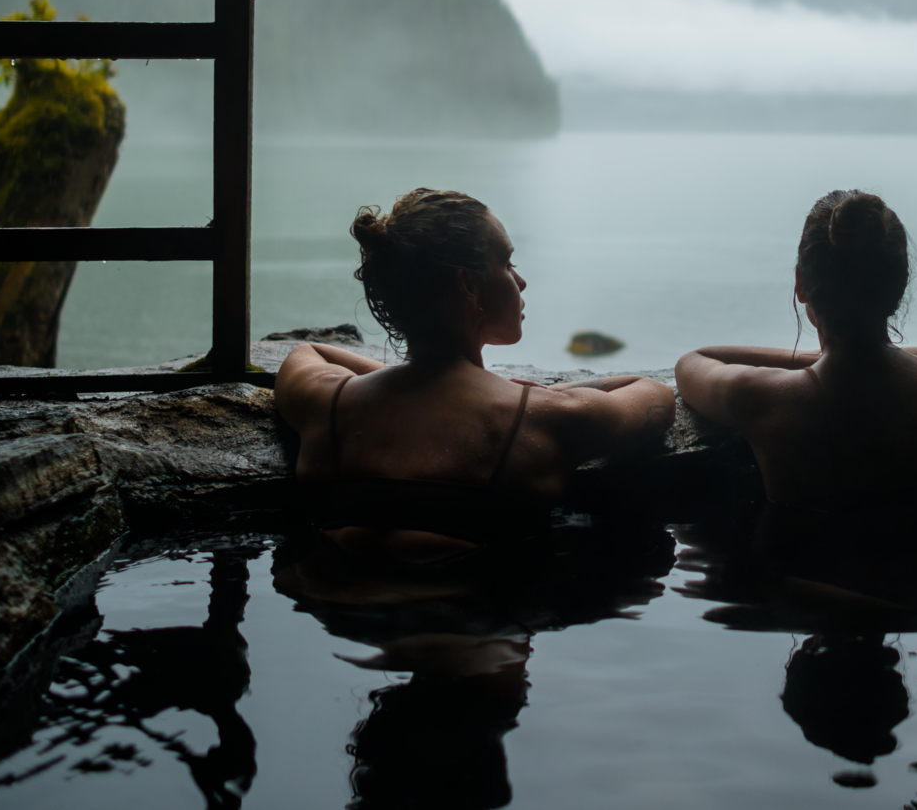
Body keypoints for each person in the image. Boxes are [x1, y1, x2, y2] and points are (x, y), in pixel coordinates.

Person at [276, 187, 674, 562]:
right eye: (506, 263)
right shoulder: (542, 419)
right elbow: (656, 395)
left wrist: (407, 381)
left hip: (338, 605)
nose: (520, 281)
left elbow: (306, 352)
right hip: (473, 621)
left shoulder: (329, 402)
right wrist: (531, 391)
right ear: (468, 286)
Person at [675, 189, 917, 513]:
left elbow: (692, 362)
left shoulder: (764, 397)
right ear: (901, 283)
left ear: (801, 284)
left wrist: (820, 358)